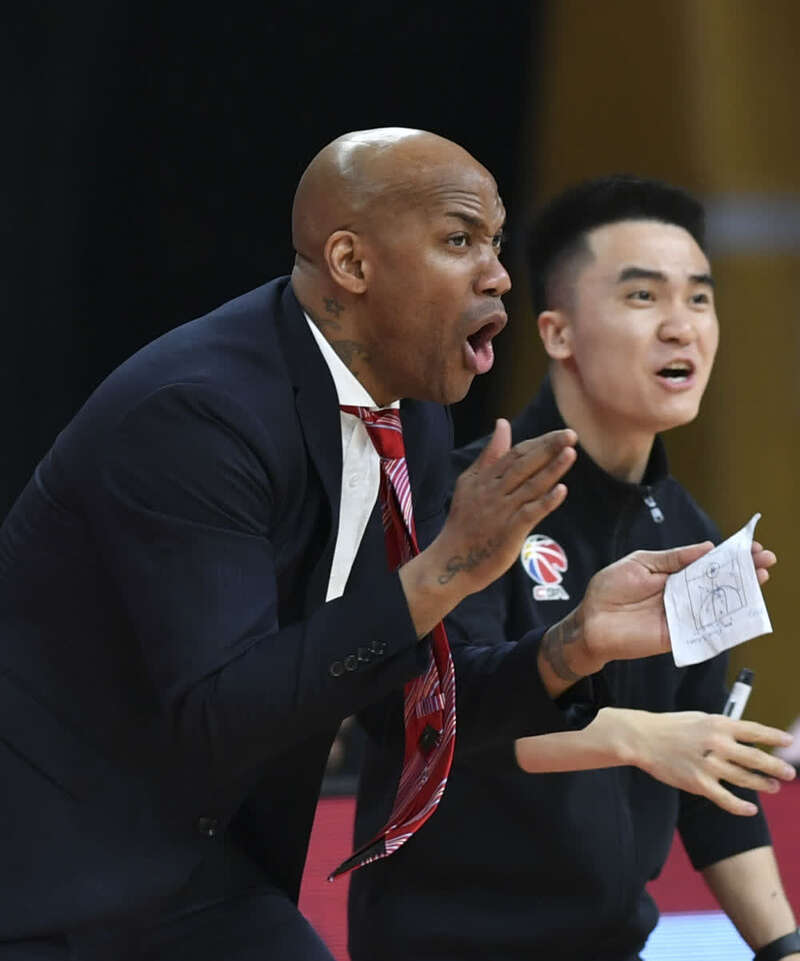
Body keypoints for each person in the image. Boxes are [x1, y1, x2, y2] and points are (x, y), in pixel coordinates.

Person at [0, 135, 776, 960]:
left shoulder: (412, 415)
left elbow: (399, 700)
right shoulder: (198, 414)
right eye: (459, 240)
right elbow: (220, 710)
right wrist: (444, 571)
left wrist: (570, 645)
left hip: (204, 874)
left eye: (496, 243)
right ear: (350, 262)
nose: (498, 275)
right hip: (46, 876)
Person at [348, 175, 799, 961]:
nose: (681, 326)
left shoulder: (693, 534)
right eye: (642, 296)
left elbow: (711, 784)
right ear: (557, 334)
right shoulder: (469, 497)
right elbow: (443, 718)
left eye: (699, 298)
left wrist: (783, 946)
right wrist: (636, 735)